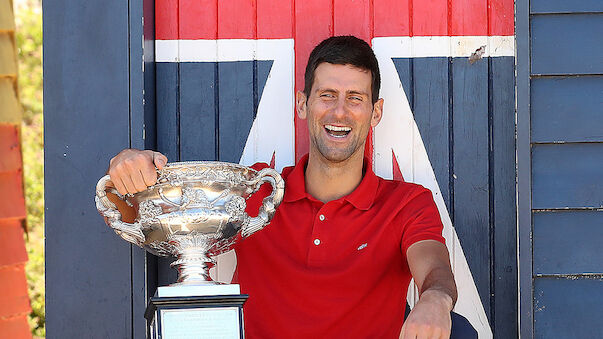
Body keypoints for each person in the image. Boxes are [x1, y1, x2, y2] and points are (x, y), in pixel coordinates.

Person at [107, 36, 465, 339]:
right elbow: (142, 217)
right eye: (327, 95)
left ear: (375, 112)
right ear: (301, 103)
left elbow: (434, 269)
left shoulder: (407, 203)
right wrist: (129, 171)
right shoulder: (258, 190)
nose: (340, 112)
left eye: (355, 98)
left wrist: (435, 299)